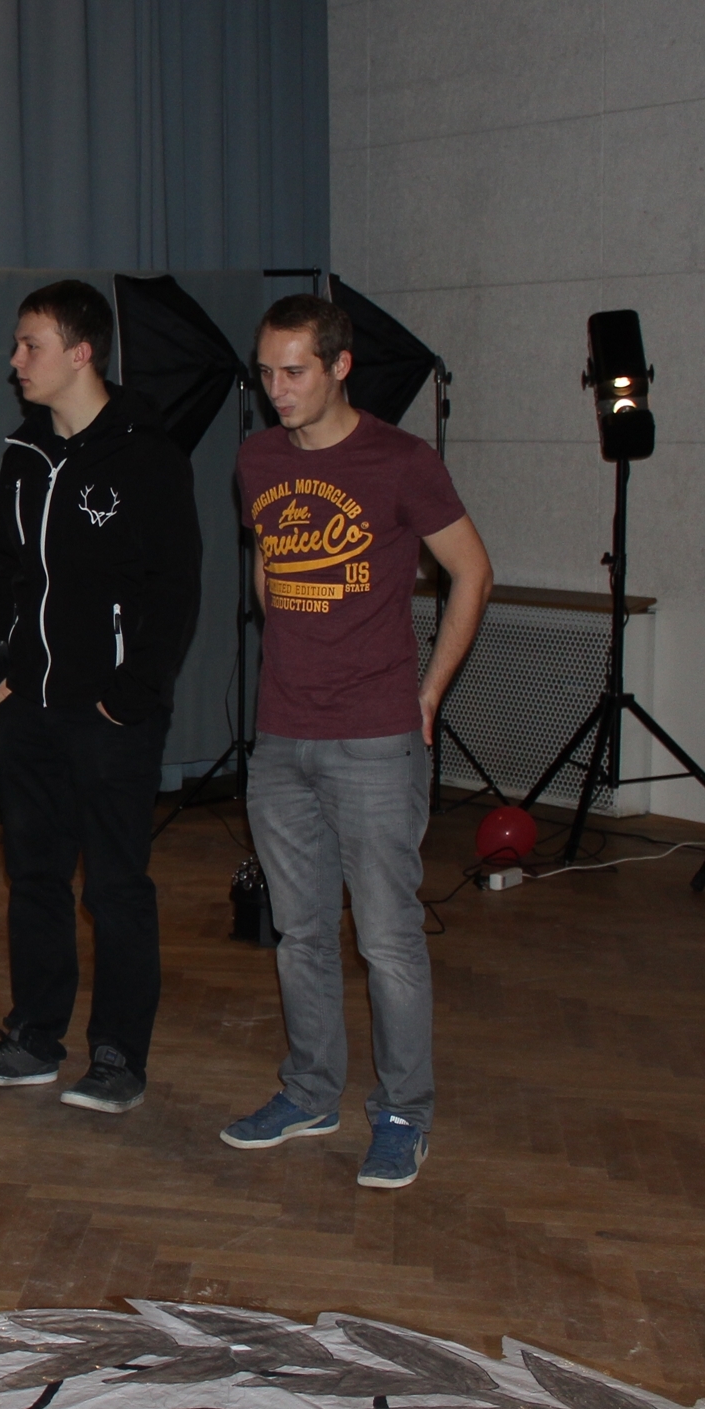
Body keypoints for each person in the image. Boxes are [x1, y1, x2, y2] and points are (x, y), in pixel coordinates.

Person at [218, 293, 493, 1189]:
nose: (277, 389)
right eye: (266, 372)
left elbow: (472, 572)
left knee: (386, 938)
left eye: (294, 371)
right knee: (300, 932)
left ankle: (405, 1112)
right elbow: (269, 571)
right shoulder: (258, 459)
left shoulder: (401, 461)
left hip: (375, 738)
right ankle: (309, 1093)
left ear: (340, 367)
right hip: (282, 737)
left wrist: (429, 693)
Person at [0, 279, 202, 1113]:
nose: (15, 360)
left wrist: (132, 694)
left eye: (31, 345)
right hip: (30, 709)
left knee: (116, 888)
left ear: (81, 352)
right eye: (18, 345)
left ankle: (119, 1056)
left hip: (111, 717)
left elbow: (176, 587)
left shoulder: (147, 455)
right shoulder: (25, 455)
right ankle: (32, 1038)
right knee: (34, 877)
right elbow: (10, 574)